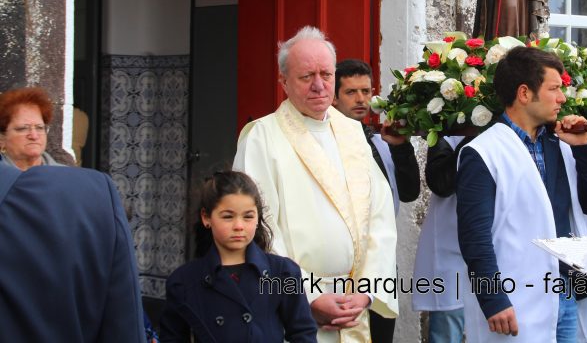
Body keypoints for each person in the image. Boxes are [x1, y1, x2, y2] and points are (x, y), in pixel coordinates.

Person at [233, 26, 398, 342]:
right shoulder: (262, 138)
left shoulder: (353, 134)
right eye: (306, 76)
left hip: (354, 307)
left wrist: (366, 291)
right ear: (283, 83)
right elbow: (258, 228)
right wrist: (306, 297)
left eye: (326, 73)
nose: (319, 85)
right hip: (292, 311)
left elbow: (381, 218)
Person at [456, 46, 587, 343]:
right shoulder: (483, 151)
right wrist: (493, 299)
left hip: (565, 294)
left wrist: (585, 149)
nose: (563, 98)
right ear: (524, 93)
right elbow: (474, 236)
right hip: (514, 300)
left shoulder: (561, 143)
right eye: (554, 89)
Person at [160, 171, 318, 342]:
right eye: (228, 217)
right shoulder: (184, 281)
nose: (239, 226)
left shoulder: (282, 272)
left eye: (248, 216)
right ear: (206, 217)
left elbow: (303, 333)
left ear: (258, 217)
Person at [0, 157, 145, 341]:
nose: (33, 135)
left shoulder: (85, 198)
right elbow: (124, 327)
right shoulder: (88, 197)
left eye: (39, 128)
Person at [333, 58, 420, 342]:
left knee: (382, 334)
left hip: (382, 258)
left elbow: (409, 193)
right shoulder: (325, 146)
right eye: (351, 92)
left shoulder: (382, 142)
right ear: (334, 98)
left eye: (366, 91)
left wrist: (401, 148)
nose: (361, 99)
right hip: (342, 261)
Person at [412, 135, 468, 343]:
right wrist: (475, 131)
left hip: (498, 250)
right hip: (450, 248)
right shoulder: (448, 133)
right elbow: (442, 184)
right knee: (447, 329)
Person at [0, 86, 63, 169]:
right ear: (2, 138)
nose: (34, 136)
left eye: (39, 128)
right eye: (23, 128)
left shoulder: (67, 177)